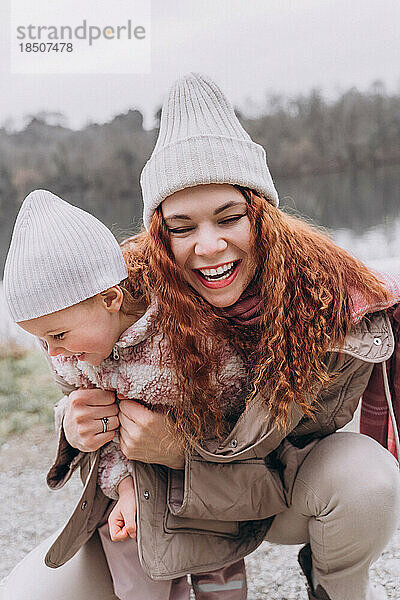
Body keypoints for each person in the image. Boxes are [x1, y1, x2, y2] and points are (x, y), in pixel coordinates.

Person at [2, 73, 400, 600]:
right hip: (159, 513)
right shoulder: (115, 297)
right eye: (182, 227)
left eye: (229, 217)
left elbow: (280, 472)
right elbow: (87, 376)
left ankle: (337, 588)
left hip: (277, 497)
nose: (209, 247)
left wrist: (181, 453)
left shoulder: (327, 312)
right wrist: (75, 427)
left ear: (263, 218)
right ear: (158, 235)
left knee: (366, 478)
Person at [2, 188, 251, 600]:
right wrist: (125, 485)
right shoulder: (75, 357)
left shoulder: (183, 338)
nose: (54, 354)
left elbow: (231, 413)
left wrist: (183, 453)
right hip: (130, 502)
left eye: (58, 335)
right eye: (41, 342)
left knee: (219, 577)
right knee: (137, 586)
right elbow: (107, 438)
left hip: (202, 493)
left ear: (111, 299)